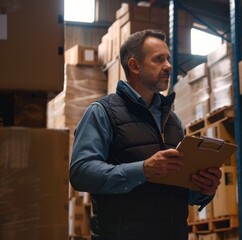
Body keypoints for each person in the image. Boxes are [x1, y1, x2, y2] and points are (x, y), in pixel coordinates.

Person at [69, 29, 222, 240]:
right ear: (134, 66)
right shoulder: (102, 112)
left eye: (168, 59)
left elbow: (176, 188)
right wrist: (143, 170)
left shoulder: (173, 121)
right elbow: (81, 172)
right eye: (158, 59)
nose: (168, 66)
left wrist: (203, 189)